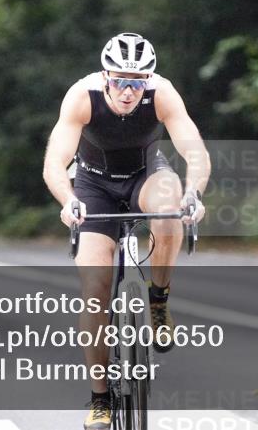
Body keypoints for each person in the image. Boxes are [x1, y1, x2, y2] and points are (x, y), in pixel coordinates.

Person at [42, 32, 209, 430]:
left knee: (169, 210)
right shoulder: (82, 96)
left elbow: (195, 150)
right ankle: (100, 398)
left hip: (145, 174)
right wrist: (68, 200)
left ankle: (158, 299)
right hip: (93, 184)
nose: (129, 91)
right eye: (120, 81)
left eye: (138, 82)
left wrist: (194, 194)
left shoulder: (162, 93)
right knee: (95, 290)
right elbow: (55, 161)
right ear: (105, 76)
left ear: (148, 81)